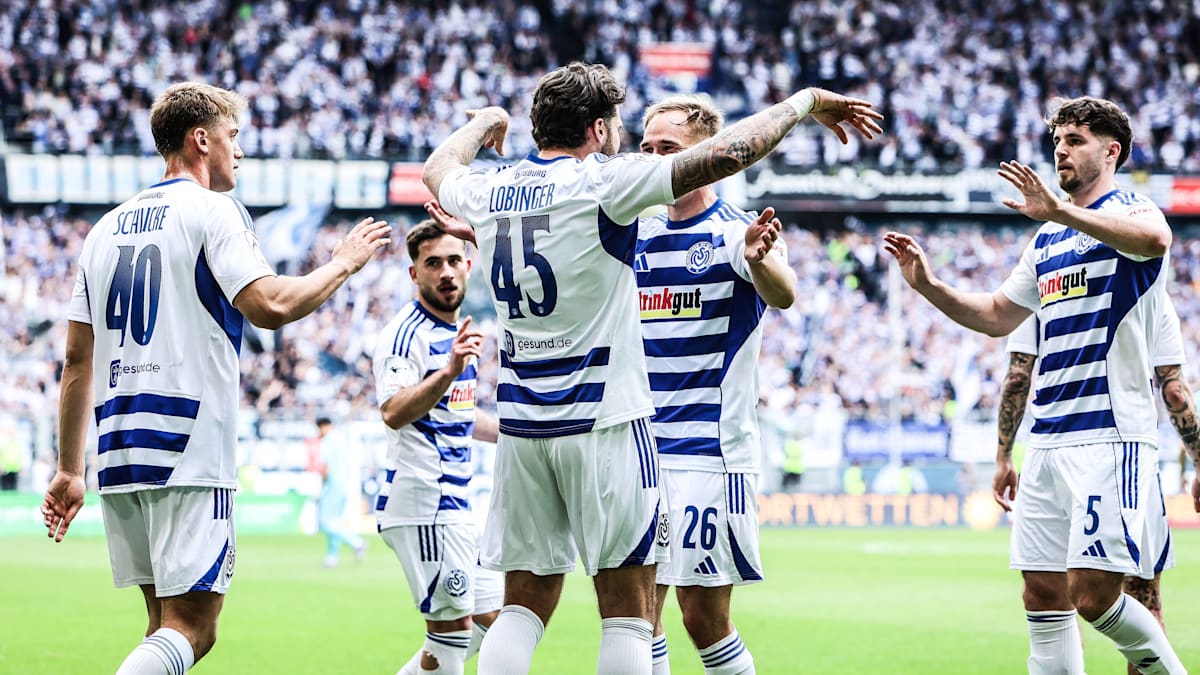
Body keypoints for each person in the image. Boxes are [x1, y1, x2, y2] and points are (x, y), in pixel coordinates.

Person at [422, 61, 881, 674]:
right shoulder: (608, 184)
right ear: (599, 129)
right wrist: (805, 102)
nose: (632, 145)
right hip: (608, 422)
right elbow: (730, 153)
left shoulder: (491, 189)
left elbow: (438, 169)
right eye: (626, 132)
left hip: (527, 426)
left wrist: (485, 120)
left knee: (523, 603)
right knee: (630, 613)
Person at [40, 81, 390, 675]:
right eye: (234, 135)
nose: (240, 150)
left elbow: (77, 361)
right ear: (201, 140)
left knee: (161, 626)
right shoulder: (212, 211)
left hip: (119, 449)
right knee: (193, 630)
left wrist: (70, 469)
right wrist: (343, 263)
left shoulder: (103, 230)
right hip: (187, 444)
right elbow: (271, 305)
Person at [884, 95, 1192, 674]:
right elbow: (997, 315)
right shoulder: (1045, 241)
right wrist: (929, 285)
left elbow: (1155, 242)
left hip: (1109, 437)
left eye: (1075, 141)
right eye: (1057, 142)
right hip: (1047, 440)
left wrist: (1062, 212)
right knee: (1042, 595)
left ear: (1111, 151)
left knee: (1094, 595)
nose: (1061, 152)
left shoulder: (1132, 209)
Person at [634, 93, 798, 675]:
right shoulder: (637, 231)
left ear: (708, 155)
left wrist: (759, 261)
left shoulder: (737, 231)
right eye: (648, 147)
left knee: (702, 618)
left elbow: (783, 292)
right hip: (640, 453)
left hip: (709, 453)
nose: (656, 159)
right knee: (637, 614)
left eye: (670, 148)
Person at [996, 303, 1200, 675]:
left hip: (1053, 449)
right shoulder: (1151, 291)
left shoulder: (1041, 284)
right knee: (1143, 600)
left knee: (1054, 598)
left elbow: (1017, 378)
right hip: (1129, 456)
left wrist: (1003, 455)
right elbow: (1174, 391)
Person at [372, 219, 503, 675]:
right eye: (432, 264)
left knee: (493, 619)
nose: (445, 272)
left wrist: (518, 431)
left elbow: (458, 414)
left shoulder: (455, 333)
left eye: (452, 261)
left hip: (453, 504)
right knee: (451, 634)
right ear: (415, 274)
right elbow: (393, 410)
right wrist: (447, 373)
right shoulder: (405, 335)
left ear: (467, 266)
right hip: (425, 501)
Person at [314, 415, 366, 568]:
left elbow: (326, 466)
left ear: (322, 426)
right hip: (344, 486)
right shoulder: (342, 439)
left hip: (332, 486)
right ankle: (332, 557)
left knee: (325, 523)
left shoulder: (328, 441)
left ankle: (356, 542)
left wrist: (321, 484)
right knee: (335, 522)